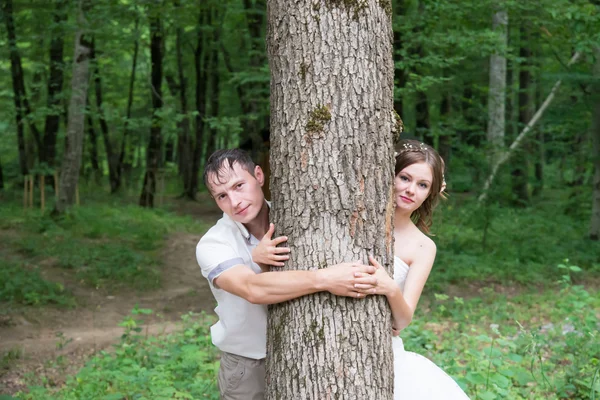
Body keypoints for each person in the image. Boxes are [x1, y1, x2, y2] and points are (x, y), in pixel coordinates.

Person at [255, 139, 469, 399]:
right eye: (404, 177)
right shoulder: (350, 216)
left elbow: (402, 321)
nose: (411, 189)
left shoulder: (423, 247)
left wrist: (389, 288)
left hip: (380, 356)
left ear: (430, 193)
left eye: (422, 185)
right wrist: (260, 258)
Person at [195, 149, 378, 400]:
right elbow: (252, 289)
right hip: (248, 366)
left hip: (307, 359)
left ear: (258, 175)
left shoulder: (299, 216)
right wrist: (326, 279)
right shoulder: (213, 243)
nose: (234, 201)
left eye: (239, 185)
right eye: (222, 196)